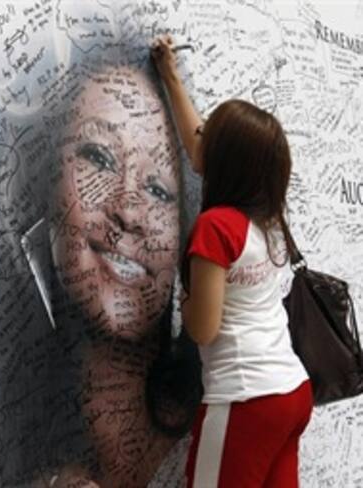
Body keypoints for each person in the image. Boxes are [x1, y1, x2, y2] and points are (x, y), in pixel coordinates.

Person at [21, 54, 201, 488]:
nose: (129, 211)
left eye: (159, 189)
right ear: (46, 187)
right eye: (99, 158)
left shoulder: (215, 430)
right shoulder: (1, 434)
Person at [150, 35, 313, 487]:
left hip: (245, 401)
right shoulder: (267, 221)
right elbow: (199, 150)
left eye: (209, 135)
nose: (199, 138)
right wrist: (170, 76)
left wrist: (183, 294)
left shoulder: (216, 228)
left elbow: (202, 329)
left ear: (224, 161)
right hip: (291, 393)